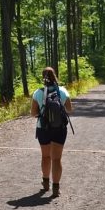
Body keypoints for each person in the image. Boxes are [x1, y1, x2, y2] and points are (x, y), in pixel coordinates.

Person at [30, 67, 74, 197]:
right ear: (55, 76)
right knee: (56, 158)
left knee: (45, 157)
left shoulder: (38, 93)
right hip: (59, 128)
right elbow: (70, 110)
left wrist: (43, 112)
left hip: (43, 128)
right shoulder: (63, 91)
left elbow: (33, 113)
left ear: (42, 78)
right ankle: (56, 188)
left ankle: (45, 183)